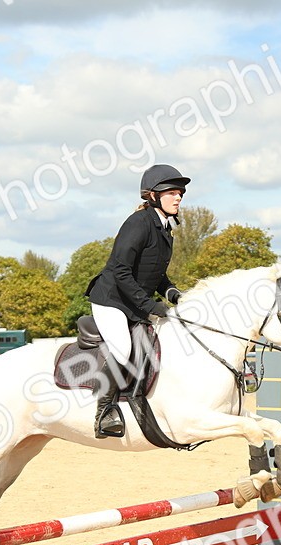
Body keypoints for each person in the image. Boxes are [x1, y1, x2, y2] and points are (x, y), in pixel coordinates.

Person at [84, 164, 189, 438]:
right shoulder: (138, 223)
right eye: (172, 192)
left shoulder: (165, 228)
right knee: (122, 348)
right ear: (153, 195)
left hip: (134, 302)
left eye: (180, 193)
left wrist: (171, 292)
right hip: (111, 300)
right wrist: (150, 305)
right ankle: (104, 413)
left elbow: (155, 272)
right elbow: (121, 270)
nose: (178, 197)